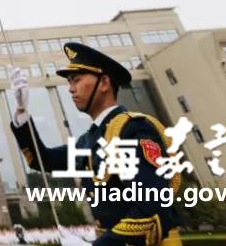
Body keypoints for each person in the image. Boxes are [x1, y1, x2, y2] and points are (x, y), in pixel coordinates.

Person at [9, 42, 183, 246]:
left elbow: (153, 208)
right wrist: (21, 111)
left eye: (76, 80)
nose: (71, 89)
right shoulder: (89, 139)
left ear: (104, 83)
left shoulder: (133, 129)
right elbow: (41, 160)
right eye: (69, 82)